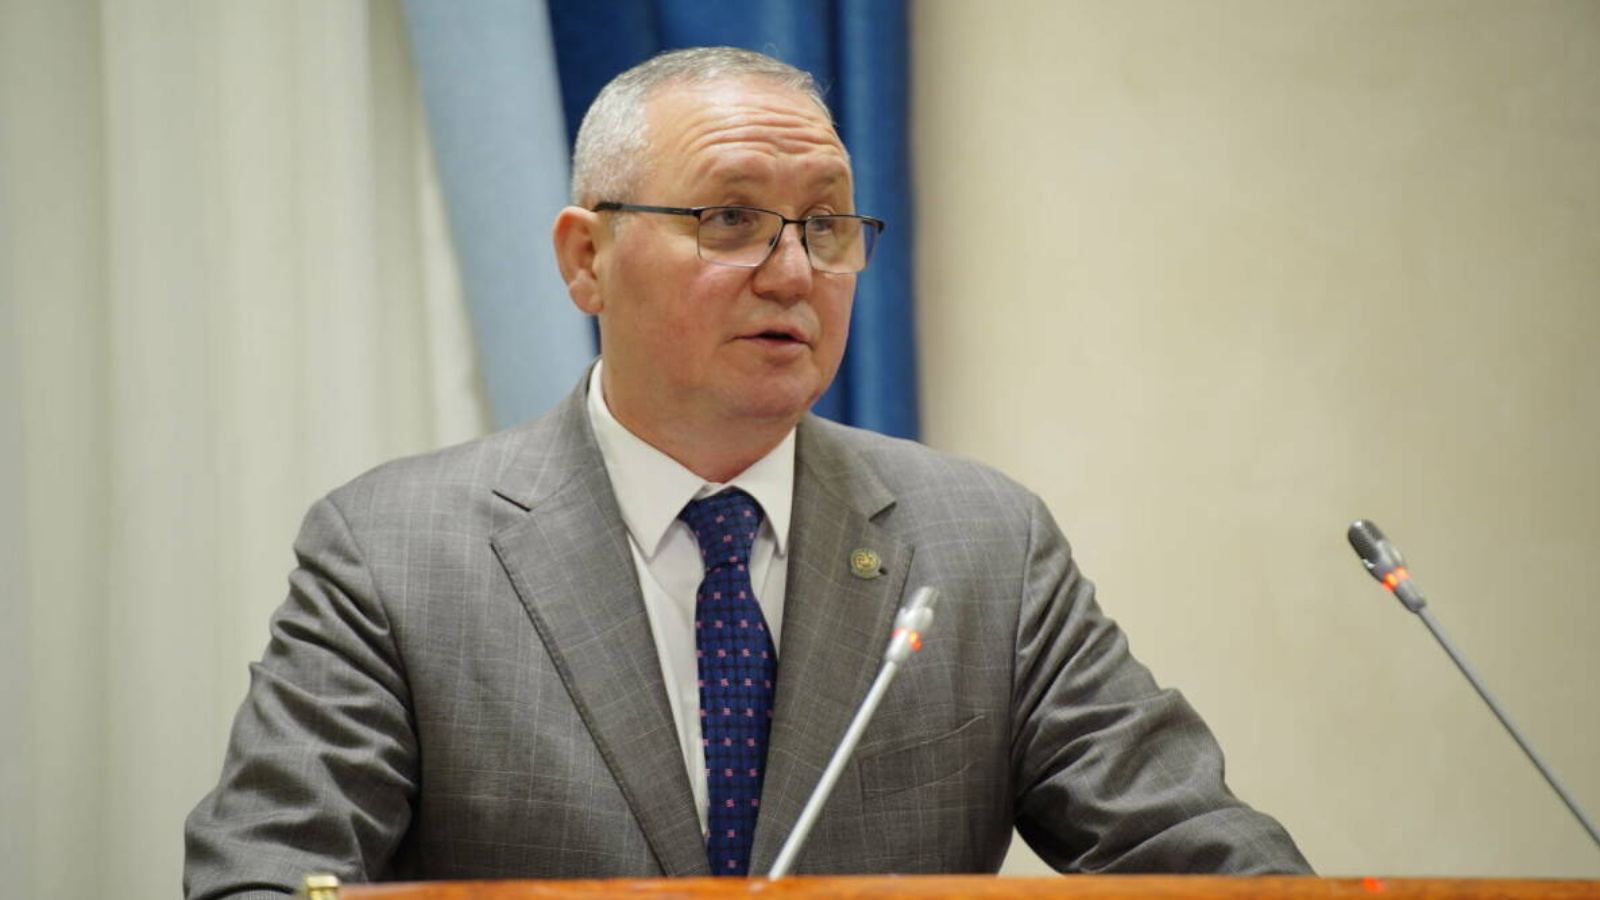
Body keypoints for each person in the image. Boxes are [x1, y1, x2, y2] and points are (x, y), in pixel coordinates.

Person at [183, 47, 1310, 898]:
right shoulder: (393, 552)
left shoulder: (983, 544)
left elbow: (1194, 850)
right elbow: (264, 875)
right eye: (730, 218)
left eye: (826, 226)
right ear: (587, 258)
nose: (793, 272)